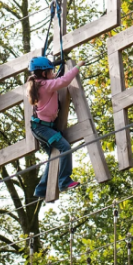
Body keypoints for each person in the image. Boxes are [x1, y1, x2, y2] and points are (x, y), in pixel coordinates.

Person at [26, 56, 84, 198]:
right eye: (51, 72)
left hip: (41, 127)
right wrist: (77, 67)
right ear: (44, 74)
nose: (53, 74)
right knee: (64, 148)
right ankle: (64, 181)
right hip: (43, 128)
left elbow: (56, 79)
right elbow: (64, 81)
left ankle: (41, 189)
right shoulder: (47, 85)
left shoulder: (38, 84)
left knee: (54, 155)